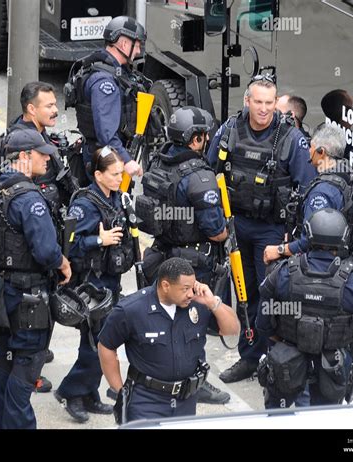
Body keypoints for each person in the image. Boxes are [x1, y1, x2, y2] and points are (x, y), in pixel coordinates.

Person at [207, 75, 317, 383]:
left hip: (272, 229)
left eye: (270, 103)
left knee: (272, 296)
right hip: (237, 224)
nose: (265, 109)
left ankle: (278, 360)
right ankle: (250, 358)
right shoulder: (229, 130)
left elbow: (306, 187)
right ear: (247, 101)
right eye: (259, 102)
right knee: (244, 294)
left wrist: (292, 239)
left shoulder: (291, 138)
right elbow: (208, 170)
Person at [136, 106, 230, 404]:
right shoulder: (200, 176)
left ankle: (150, 375)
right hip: (192, 263)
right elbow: (215, 230)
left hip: (161, 253)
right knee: (192, 324)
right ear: (195, 139)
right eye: (204, 135)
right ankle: (194, 382)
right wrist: (226, 232)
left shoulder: (157, 161)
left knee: (158, 320)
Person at [0, 129, 71, 429]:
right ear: (24, 156)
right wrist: (63, 262)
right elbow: (45, 250)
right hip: (28, 298)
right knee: (27, 365)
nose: (48, 158)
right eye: (42, 153)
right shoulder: (28, 197)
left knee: (1, 360)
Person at [0, 81, 78, 393]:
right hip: (33, 243)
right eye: (48, 106)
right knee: (34, 309)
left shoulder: (43, 137)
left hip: (50, 227)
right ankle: (31, 370)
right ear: (31, 109)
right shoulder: (19, 143)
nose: (55, 110)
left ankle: (35, 355)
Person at [256, 208, 353, 408]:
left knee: (277, 419)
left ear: (309, 235)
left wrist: (286, 341)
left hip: (285, 365)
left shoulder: (283, 273)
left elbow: (262, 324)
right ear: (344, 238)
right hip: (333, 367)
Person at [98, 258, 240, 423]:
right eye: (185, 288)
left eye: (192, 287)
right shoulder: (132, 309)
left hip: (186, 400)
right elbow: (106, 346)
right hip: (146, 401)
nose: (190, 293)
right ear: (165, 286)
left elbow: (232, 329)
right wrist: (119, 390)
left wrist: (213, 303)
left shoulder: (197, 304)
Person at [54, 146, 134, 422]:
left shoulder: (115, 197)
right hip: (91, 283)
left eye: (121, 173)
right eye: (114, 174)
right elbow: (70, 244)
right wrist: (100, 240)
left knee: (99, 340)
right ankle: (71, 391)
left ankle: (89, 393)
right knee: (97, 341)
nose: (119, 178)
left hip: (110, 279)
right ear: (98, 175)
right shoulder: (85, 204)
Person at [263, 124, 353, 264]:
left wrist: (279, 250)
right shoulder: (349, 176)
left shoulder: (321, 192)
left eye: (311, 146)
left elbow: (310, 241)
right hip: (343, 259)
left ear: (321, 151)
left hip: (319, 265)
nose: (309, 150)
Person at [66, 16, 150, 184]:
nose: (139, 51)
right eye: (137, 44)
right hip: (104, 158)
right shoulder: (105, 82)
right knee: (106, 207)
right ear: (124, 44)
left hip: (103, 153)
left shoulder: (109, 67)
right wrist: (126, 160)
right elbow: (106, 132)